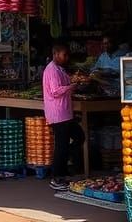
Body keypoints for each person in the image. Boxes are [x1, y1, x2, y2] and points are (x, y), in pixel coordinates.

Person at [44, 42, 89, 191]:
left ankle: (62, 166)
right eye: (64, 55)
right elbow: (55, 91)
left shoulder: (60, 70)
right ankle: (57, 176)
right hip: (58, 114)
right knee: (61, 146)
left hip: (65, 113)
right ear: (56, 54)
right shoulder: (52, 70)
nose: (66, 58)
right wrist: (72, 86)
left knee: (79, 137)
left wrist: (74, 83)